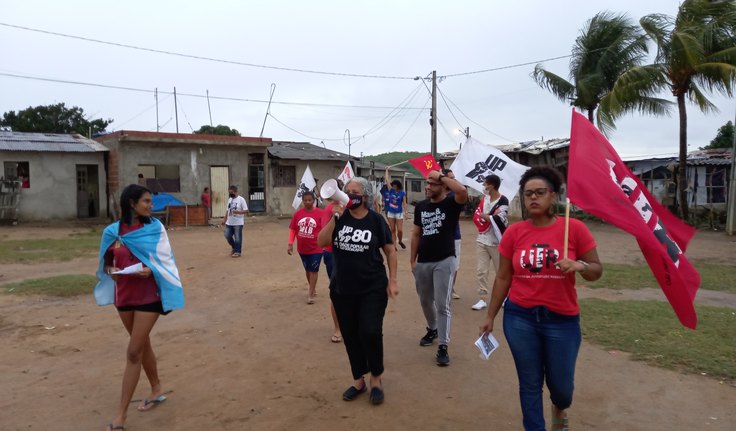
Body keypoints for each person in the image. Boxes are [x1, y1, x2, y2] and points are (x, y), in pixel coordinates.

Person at [479, 167, 602, 431]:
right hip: (520, 318)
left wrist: (579, 265)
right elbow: (503, 277)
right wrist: (490, 315)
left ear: (553, 196)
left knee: (562, 388)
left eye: (540, 193)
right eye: (527, 194)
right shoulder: (514, 233)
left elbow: (596, 270)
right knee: (530, 383)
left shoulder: (575, 229)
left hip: (562, 320)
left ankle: (559, 408)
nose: (533, 198)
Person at [94, 184, 185, 431]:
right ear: (132, 204)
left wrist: (150, 269)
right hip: (123, 298)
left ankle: (120, 417)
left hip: (149, 297)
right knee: (142, 344)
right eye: (146, 201)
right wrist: (112, 272)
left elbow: (165, 261)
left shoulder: (155, 229)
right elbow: (107, 264)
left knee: (133, 351)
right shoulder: (112, 232)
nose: (150, 205)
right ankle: (156, 388)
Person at [317, 176, 398, 405]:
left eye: (353, 192)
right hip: (342, 289)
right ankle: (358, 380)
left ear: (364, 197)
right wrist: (335, 217)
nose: (348, 195)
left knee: (370, 331)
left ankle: (376, 379)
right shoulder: (338, 217)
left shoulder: (375, 220)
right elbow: (322, 242)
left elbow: (390, 251)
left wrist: (392, 280)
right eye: (346, 191)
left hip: (372, 287)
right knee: (351, 336)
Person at [410, 169, 467, 366]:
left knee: (442, 304)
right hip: (424, 260)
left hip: (445, 260)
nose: (427, 187)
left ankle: (443, 345)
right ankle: (432, 328)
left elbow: (461, 191)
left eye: (432, 184)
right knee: (425, 300)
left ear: (443, 187)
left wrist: (441, 176)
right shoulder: (421, 207)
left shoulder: (451, 204)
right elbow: (416, 234)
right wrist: (412, 260)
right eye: (427, 183)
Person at [471, 174, 509, 310]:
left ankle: (504, 297)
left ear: (491, 186)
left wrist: (486, 217)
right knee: (481, 271)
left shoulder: (503, 201)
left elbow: (500, 219)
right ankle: (482, 298)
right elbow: (478, 214)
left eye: (485, 184)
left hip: (497, 242)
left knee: (501, 271)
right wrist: (485, 217)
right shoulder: (485, 199)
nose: (484, 186)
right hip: (482, 239)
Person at [288, 191, 324, 304]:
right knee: (308, 270)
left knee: (314, 270)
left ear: (314, 200)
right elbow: (293, 229)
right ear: (302, 201)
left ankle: (311, 293)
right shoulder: (297, 214)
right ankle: (312, 287)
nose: (307, 202)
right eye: (305, 200)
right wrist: (290, 243)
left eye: (310, 200)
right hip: (302, 249)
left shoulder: (320, 213)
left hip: (316, 248)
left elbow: (326, 229)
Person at [321, 182, 344, 343]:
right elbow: (323, 236)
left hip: (350, 254)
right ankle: (338, 328)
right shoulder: (330, 209)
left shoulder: (353, 208)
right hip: (332, 253)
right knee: (336, 292)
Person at [384, 168, 407, 250]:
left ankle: (400, 241)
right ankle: (394, 246)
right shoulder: (391, 190)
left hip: (399, 213)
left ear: (398, 185)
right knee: (392, 229)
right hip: (391, 212)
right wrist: (386, 170)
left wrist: (406, 213)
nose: (393, 186)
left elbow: (404, 203)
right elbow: (387, 179)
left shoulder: (402, 193)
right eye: (392, 185)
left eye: (394, 185)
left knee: (400, 230)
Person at [224, 185, 249, 257]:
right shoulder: (229, 200)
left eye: (231, 192)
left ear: (235, 192)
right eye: (229, 192)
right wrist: (224, 219)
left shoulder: (241, 200)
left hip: (238, 222)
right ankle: (234, 247)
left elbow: (246, 211)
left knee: (238, 237)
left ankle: (238, 252)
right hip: (229, 222)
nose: (230, 194)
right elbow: (227, 210)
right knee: (227, 235)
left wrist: (238, 212)